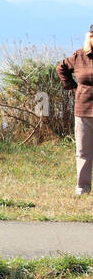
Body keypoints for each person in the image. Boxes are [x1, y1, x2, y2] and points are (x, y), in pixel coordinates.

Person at [57, 25, 93, 196]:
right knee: (84, 152)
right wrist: (73, 87)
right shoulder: (79, 56)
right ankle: (83, 188)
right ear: (89, 37)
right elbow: (61, 68)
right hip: (84, 111)